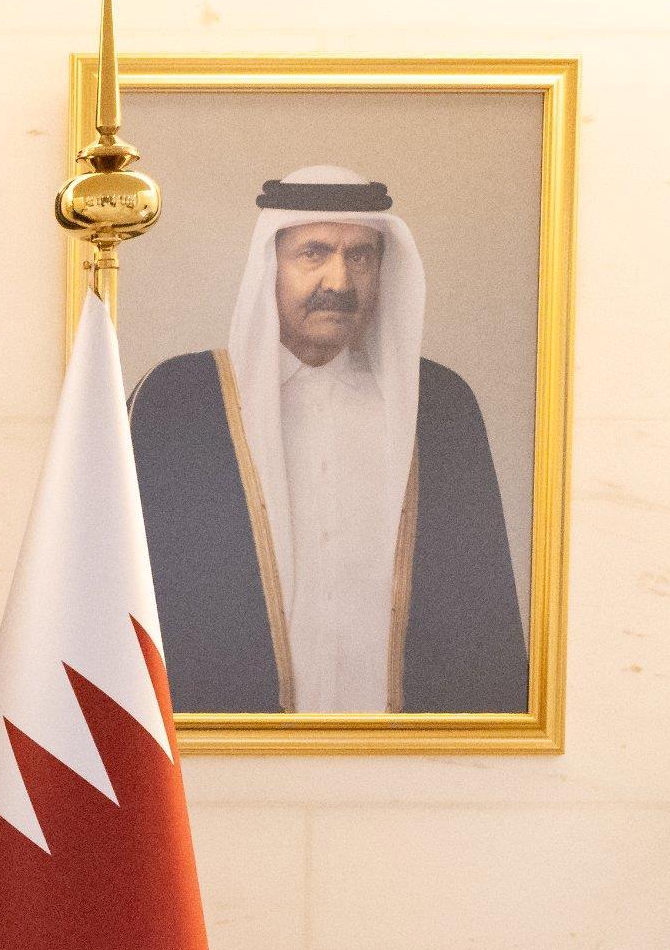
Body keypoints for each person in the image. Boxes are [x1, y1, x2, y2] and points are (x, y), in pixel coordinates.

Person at [130, 166, 528, 715]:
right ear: (270, 266)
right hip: (231, 746)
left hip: (400, 748)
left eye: (360, 257)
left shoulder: (439, 406)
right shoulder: (181, 402)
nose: (339, 282)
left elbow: (480, 609)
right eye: (313, 253)